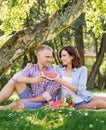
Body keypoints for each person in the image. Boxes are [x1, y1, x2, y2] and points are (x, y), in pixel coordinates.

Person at [0, 45, 60, 110]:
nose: (50, 60)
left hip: (44, 103)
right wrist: (34, 80)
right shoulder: (31, 67)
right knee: (15, 81)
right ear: (38, 56)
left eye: (51, 57)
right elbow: (16, 77)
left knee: (17, 105)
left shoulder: (54, 72)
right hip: (32, 96)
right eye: (47, 57)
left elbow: (46, 97)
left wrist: (26, 100)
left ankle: (3, 108)